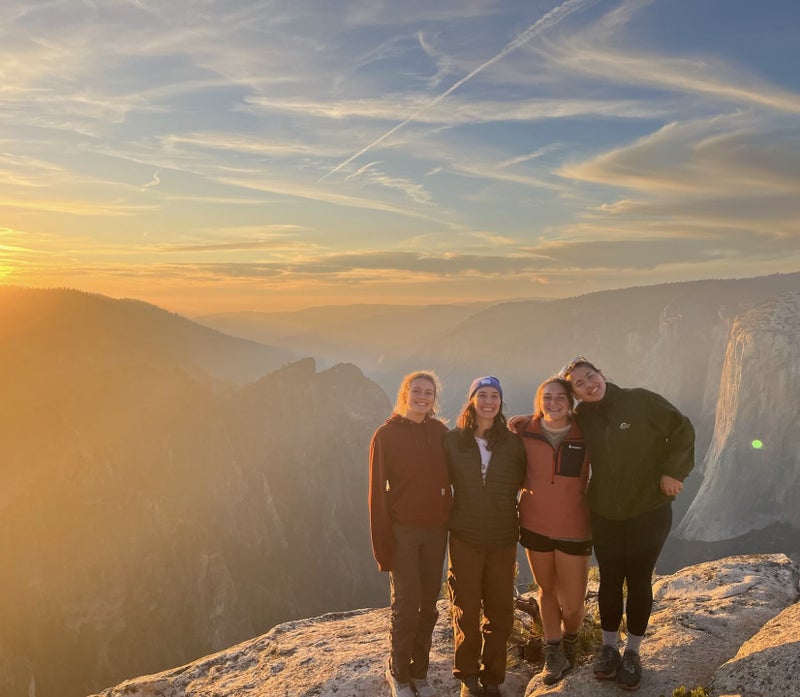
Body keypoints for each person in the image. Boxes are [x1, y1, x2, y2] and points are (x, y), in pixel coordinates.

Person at [559, 357, 694, 691]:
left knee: (638, 579)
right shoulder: (581, 417)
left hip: (648, 509)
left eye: (591, 376)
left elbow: (682, 428)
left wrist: (674, 471)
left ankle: (632, 652)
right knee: (609, 578)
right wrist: (522, 424)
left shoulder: (640, 400)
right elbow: (550, 424)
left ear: (602, 374)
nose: (589, 385)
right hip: (605, 511)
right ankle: (609, 648)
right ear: (576, 395)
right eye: (580, 384)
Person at [369, 370, 453, 697]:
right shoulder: (386, 435)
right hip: (403, 531)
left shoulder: (440, 432)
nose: (422, 397)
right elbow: (377, 494)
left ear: (434, 399)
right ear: (405, 393)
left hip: (436, 530)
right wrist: (382, 545)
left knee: (429, 604)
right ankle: (399, 672)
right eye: (416, 390)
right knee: (406, 604)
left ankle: (420, 672)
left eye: (428, 392)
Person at [443, 376, 526, 697]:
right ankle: (467, 675)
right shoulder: (453, 441)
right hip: (464, 534)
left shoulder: (513, 443)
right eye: (482, 395)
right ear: (472, 400)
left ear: (500, 402)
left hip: (503, 536)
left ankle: (493, 678)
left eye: (494, 396)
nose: (488, 401)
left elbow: (525, 481)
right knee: (465, 607)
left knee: (500, 609)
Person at [511, 376, 591, 686]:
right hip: (535, 524)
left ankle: (571, 638)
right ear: (538, 400)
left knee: (572, 605)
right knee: (546, 590)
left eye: (560, 397)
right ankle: (554, 651)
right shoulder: (524, 431)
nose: (553, 402)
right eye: (547, 397)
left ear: (570, 402)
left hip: (574, 526)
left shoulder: (585, 432)